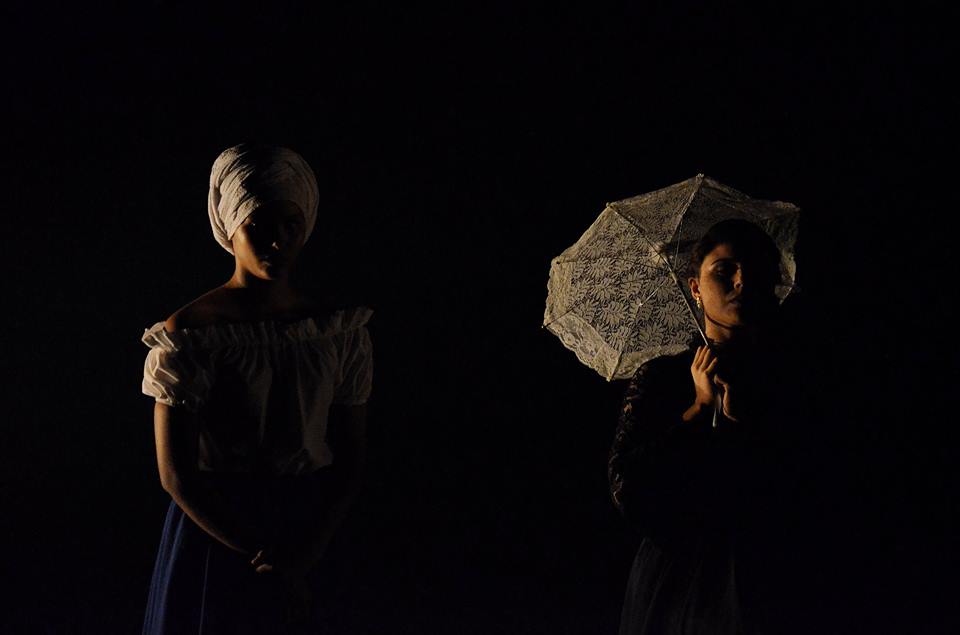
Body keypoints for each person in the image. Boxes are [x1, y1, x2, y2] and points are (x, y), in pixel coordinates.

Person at [140, 144, 372, 634]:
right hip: (219, 531)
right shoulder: (192, 335)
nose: (277, 240)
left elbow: (351, 457)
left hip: (310, 525)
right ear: (230, 227)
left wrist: (306, 551)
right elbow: (176, 474)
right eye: (259, 225)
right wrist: (264, 556)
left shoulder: (335, 332)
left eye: (290, 225)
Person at [608, 218, 819, 635]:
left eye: (754, 271)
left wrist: (746, 424)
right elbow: (627, 487)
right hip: (678, 583)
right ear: (695, 288)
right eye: (724, 271)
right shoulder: (662, 377)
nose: (741, 281)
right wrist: (699, 409)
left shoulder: (794, 377)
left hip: (771, 575)